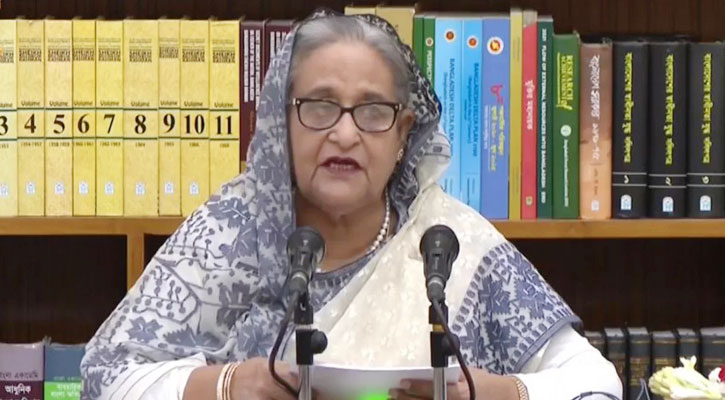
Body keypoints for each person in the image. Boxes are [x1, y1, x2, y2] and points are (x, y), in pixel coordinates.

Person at [81, 9, 622, 400]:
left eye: (372, 111)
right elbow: (107, 376)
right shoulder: (230, 232)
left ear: (403, 133)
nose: (344, 134)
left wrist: (504, 393)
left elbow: (597, 383)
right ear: (284, 121)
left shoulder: (448, 241)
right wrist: (224, 384)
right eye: (320, 106)